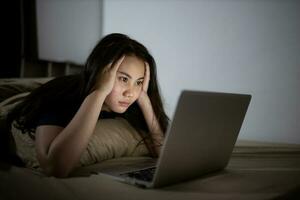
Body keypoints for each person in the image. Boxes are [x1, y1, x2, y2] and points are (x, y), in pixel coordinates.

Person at [7, 33, 169, 178]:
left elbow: (164, 155)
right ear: (101, 72)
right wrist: (99, 93)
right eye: (124, 79)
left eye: (138, 82)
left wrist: (145, 101)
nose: (130, 93)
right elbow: (54, 168)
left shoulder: (133, 101)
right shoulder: (62, 100)